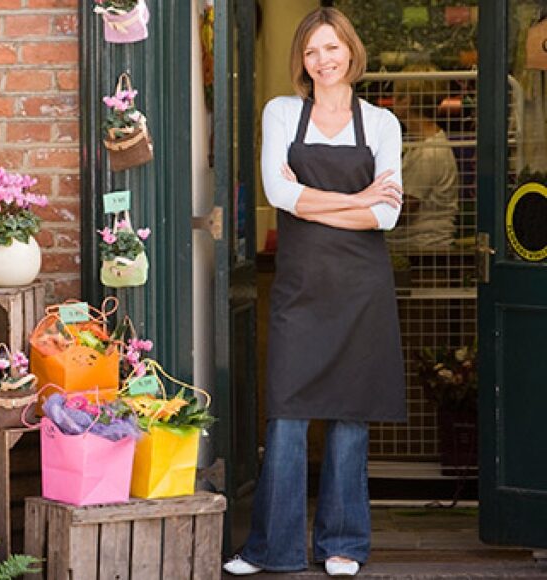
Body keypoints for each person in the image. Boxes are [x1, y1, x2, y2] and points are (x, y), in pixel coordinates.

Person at [223, 7, 406, 578]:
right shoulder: (282, 112)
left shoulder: (380, 123)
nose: (322, 61)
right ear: (300, 62)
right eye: (310, 52)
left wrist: (320, 199)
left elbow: (387, 217)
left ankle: (343, 543)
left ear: (350, 50)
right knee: (287, 413)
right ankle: (270, 548)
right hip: (301, 288)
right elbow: (279, 191)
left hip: (360, 288)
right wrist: (355, 200)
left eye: (331, 48)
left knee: (350, 414)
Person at [386, 65, 459, 248]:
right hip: (413, 246)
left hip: (422, 250)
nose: (392, 102)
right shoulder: (421, 145)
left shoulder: (429, 153)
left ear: (407, 101)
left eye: (396, 96)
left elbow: (405, 210)